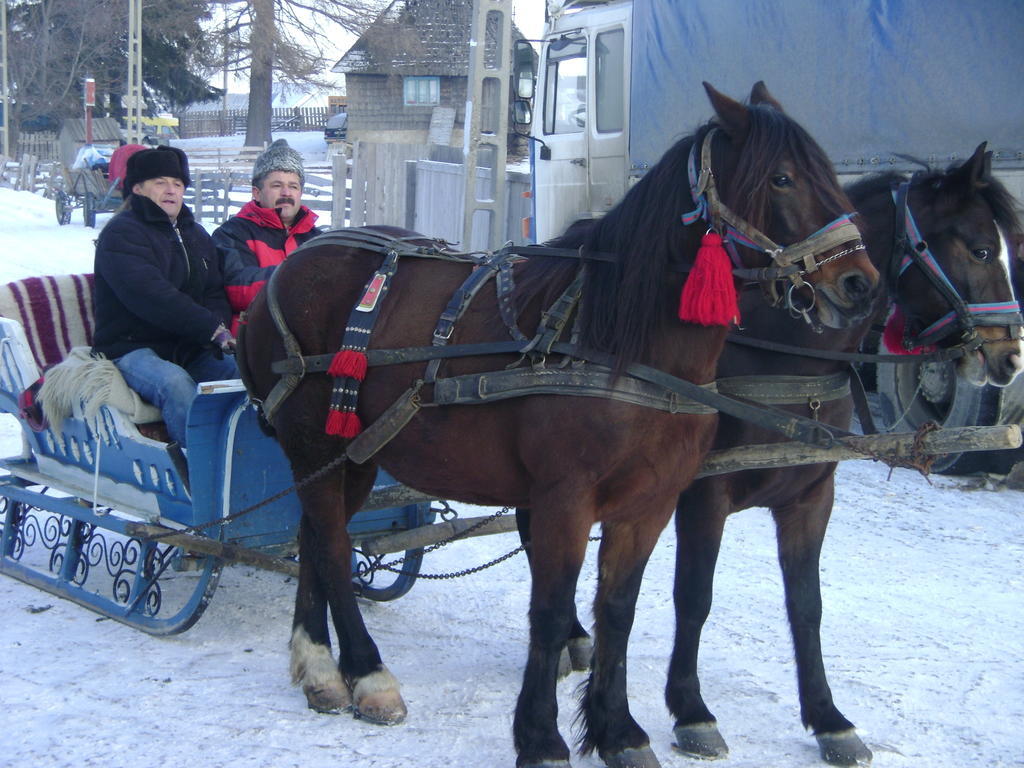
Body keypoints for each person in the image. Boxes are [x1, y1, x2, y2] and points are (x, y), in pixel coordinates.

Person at [91, 145, 238, 453]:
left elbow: (213, 290)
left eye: (178, 183)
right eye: (160, 182)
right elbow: (150, 294)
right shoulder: (121, 233)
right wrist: (210, 328)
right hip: (130, 346)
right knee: (175, 384)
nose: (171, 190)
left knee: (242, 376)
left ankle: (246, 457)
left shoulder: (196, 234)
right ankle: (199, 470)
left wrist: (219, 326)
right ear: (137, 188)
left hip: (186, 345)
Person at [213, 139, 323, 332]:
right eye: (277, 185)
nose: (286, 193)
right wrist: (297, 273)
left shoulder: (317, 239)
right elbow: (238, 290)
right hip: (255, 340)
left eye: (294, 186)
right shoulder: (233, 233)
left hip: (308, 340)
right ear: (256, 192)